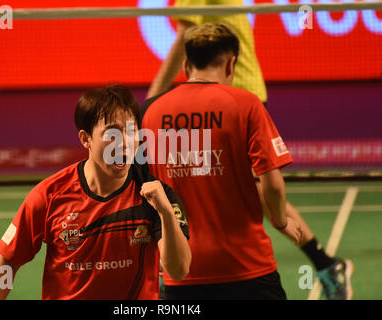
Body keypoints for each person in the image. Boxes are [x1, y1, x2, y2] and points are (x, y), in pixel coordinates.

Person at [146, 0, 353, 300]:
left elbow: (184, 38)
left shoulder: (216, 96)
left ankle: (324, 264)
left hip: (230, 96)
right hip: (238, 90)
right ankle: (325, 264)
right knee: (230, 185)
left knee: (207, 182)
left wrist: (153, 99)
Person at [0, 85, 191, 300]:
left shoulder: (154, 194)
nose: (124, 143)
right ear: (86, 139)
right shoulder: (50, 195)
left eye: (131, 131)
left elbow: (178, 270)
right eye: (112, 133)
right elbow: (8, 263)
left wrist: (165, 211)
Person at [141, 22, 301, 300]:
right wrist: (280, 221)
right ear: (231, 64)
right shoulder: (245, 104)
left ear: (186, 64)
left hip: (182, 269)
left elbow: (140, 189)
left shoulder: (151, 112)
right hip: (248, 266)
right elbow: (272, 185)